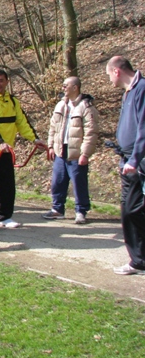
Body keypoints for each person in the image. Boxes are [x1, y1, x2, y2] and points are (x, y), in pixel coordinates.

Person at [0, 69, 46, 232]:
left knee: (7, 184)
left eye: (0, 81)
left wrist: (34, 139)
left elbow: (21, 121)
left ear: (7, 82)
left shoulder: (13, 101)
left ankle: (5, 216)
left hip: (6, 149)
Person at [105, 56, 145, 275]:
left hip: (138, 162)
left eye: (109, 74)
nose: (109, 79)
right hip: (128, 159)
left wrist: (134, 159)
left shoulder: (142, 89)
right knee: (130, 209)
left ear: (117, 71)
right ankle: (138, 259)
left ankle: (139, 260)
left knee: (132, 209)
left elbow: (143, 129)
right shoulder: (128, 92)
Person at [43, 77, 99, 224]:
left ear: (75, 87)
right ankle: (57, 209)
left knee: (79, 182)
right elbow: (52, 128)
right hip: (60, 150)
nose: (63, 88)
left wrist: (85, 153)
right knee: (58, 181)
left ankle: (80, 211)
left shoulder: (86, 107)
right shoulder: (60, 105)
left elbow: (91, 132)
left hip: (76, 152)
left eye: (65, 85)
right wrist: (50, 146)